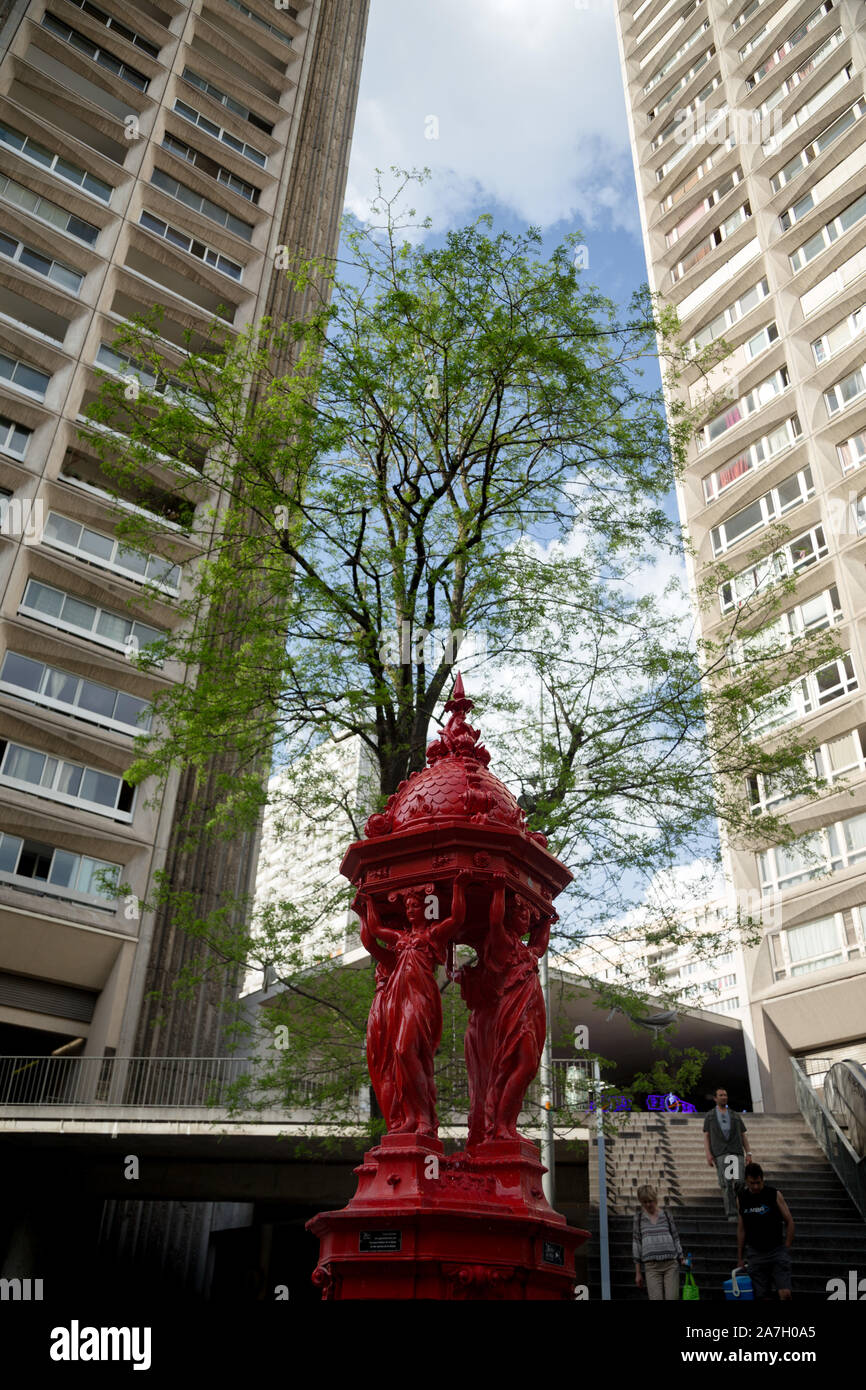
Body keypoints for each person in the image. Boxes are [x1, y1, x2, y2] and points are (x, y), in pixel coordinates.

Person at [737, 1162, 795, 1301]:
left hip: (776, 1250)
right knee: (762, 1295)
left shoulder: (773, 1194)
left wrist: (786, 1247)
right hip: (755, 1253)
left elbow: (790, 1221)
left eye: (758, 1182)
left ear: (763, 1179)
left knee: (785, 1293)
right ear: (746, 1181)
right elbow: (741, 1228)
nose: (756, 1186)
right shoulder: (742, 1198)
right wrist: (740, 1257)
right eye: (752, 1183)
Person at [703, 1087, 752, 1221]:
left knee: (740, 1181)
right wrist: (708, 1154)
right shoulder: (710, 1116)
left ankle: (741, 1208)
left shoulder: (735, 1115)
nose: (724, 1097)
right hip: (721, 1152)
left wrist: (749, 1153)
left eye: (725, 1095)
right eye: (721, 1095)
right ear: (715, 1098)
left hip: (736, 1151)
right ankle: (732, 1213)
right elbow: (706, 1136)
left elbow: (743, 1135)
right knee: (726, 1183)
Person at [633, 1184, 686, 1300]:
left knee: (672, 1297)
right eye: (644, 1202)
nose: (648, 1204)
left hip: (670, 1264)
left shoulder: (666, 1215)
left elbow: (675, 1237)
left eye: (650, 1201)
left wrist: (682, 1258)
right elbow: (636, 1244)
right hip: (651, 1267)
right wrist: (638, 1272)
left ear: (655, 1199)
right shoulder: (639, 1218)